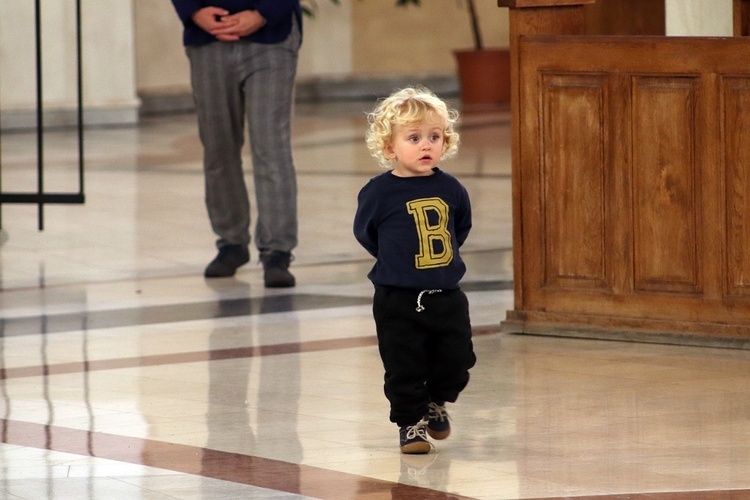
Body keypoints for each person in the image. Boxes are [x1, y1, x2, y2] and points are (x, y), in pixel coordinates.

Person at [353, 87, 477, 454]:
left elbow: (461, 228)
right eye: (414, 138)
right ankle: (410, 424)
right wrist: (398, 261)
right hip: (398, 298)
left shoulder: (451, 188)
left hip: (446, 295)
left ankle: (436, 400)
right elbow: (367, 233)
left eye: (434, 137)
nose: (426, 145)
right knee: (403, 364)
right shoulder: (378, 192)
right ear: (390, 148)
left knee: (456, 359)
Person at [170, 1, 302, 287]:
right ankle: (231, 243)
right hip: (207, 40)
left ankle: (277, 251)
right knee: (218, 148)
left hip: (272, 38)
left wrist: (263, 13)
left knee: (271, 147)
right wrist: (193, 11)